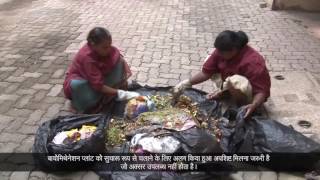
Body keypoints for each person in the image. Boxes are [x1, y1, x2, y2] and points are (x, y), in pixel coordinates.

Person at [173, 30, 271, 118]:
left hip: (250, 94)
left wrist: (254, 104)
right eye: (218, 51)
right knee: (209, 60)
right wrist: (187, 83)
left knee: (234, 81)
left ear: (234, 50)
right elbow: (206, 72)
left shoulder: (253, 62)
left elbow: (261, 91)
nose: (218, 54)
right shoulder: (222, 51)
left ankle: (241, 104)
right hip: (228, 84)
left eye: (222, 53)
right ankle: (226, 93)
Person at [63, 27, 139, 113]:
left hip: (96, 76)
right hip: (81, 82)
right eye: (105, 47)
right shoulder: (87, 58)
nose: (109, 49)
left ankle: (110, 92)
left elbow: (117, 54)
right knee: (80, 86)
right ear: (93, 44)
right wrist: (122, 94)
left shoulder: (103, 49)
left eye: (110, 45)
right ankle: (83, 103)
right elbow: (98, 85)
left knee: (117, 62)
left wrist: (126, 67)